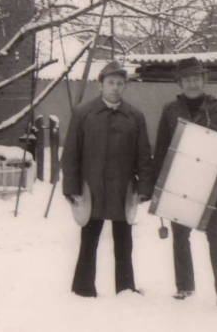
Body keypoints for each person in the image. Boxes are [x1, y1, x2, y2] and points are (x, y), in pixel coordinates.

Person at [153, 57, 217, 312]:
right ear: (179, 83)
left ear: (204, 80)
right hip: (179, 180)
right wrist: (156, 186)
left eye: (196, 79)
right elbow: (161, 148)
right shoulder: (170, 110)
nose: (192, 84)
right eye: (187, 79)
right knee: (180, 235)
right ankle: (185, 286)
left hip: (212, 182)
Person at [62, 60, 154, 298]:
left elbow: (144, 155)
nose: (115, 87)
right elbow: (71, 153)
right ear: (101, 85)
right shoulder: (83, 113)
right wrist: (71, 187)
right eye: (111, 82)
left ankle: (125, 289)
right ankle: (83, 289)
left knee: (124, 242)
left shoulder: (135, 116)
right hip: (90, 188)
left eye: (120, 83)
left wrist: (144, 187)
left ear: (125, 87)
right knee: (89, 239)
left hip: (123, 189)